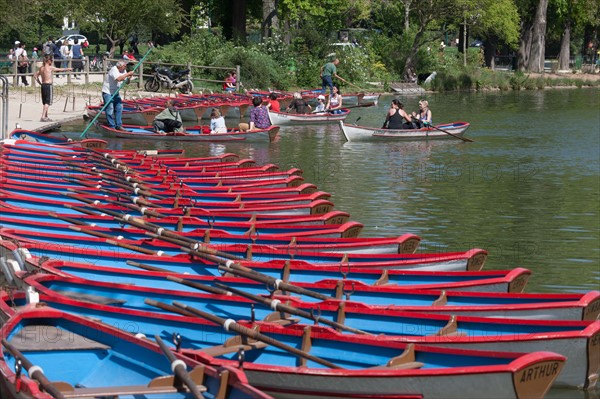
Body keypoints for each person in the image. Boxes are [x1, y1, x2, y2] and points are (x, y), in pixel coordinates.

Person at [34, 55, 72, 122]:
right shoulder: (49, 68)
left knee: (45, 102)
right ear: (48, 61)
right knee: (48, 102)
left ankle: (46, 116)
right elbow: (59, 69)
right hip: (48, 85)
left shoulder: (41, 68)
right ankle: (43, 117)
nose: (52, 61)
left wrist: (39, 82)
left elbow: (35, 75)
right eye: (51, 60)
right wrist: (68, 69)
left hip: (43, 85)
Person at [101, 60, 135, 130]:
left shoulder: (124, 71)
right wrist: (128, 74)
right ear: (120, 66)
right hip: (108, 92)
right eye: (125, 66)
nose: (126, 67)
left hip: (115, 92)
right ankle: (111, 125)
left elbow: (126, 82)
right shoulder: (114, 69)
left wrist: (129, 77)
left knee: (119, 107)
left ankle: (118, 125)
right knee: (110, 109)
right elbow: (119, 79)